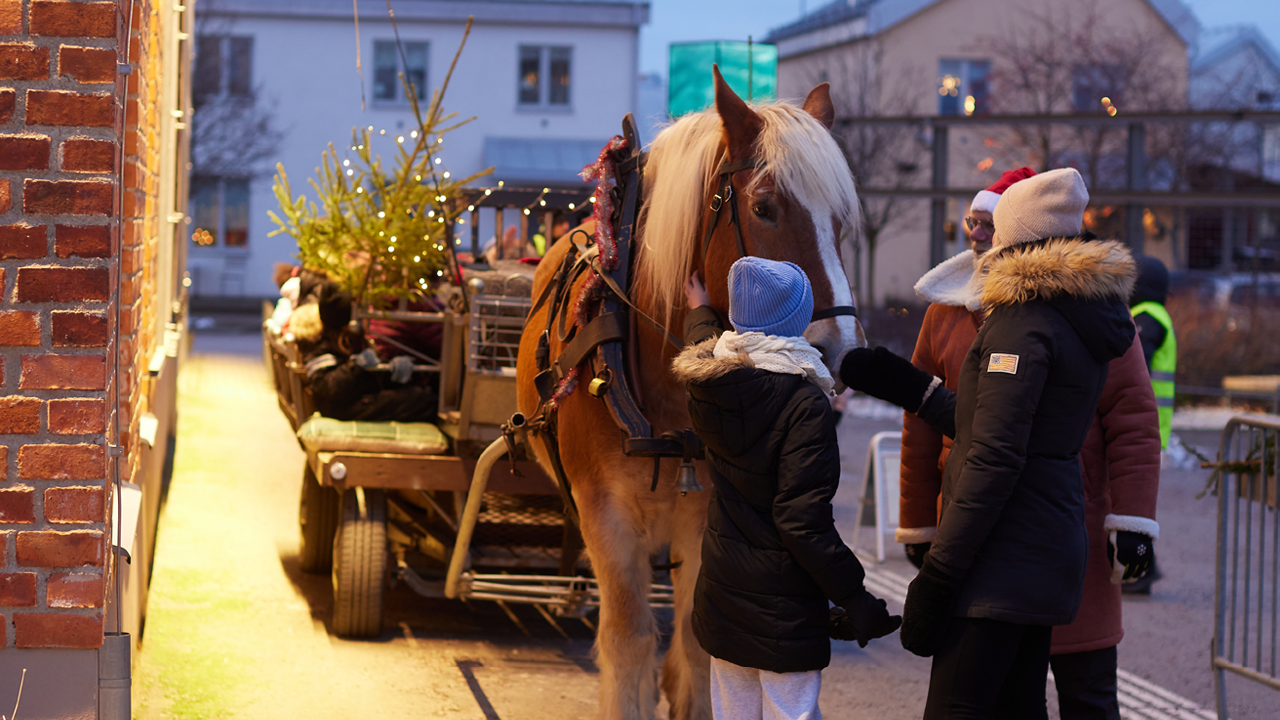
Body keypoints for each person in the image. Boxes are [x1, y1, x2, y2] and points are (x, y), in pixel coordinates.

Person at [842, 168, 1138, 719]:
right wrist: (911, 386)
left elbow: (993, 457)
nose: (985, 241)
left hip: (1001, 565)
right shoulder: (1070, 315)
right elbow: (1001, 426)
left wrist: (941, 573)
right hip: (1039, 552)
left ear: (1017, 236)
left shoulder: (1020, 324)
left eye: (995, 228)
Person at [672, 258, 900, 720]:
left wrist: (700, 309)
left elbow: (703, 342)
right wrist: (855, 597)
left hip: (723, 595)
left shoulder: (711, 384)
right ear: (797, 322)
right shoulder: (803, 403)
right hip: (784, 609)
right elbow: (802, 522)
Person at [1123, 255, 1177, 595]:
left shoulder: (1146, 319)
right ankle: (1142, 568)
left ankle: (1141, 570)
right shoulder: (1158, 315)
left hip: (1142, 425)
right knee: (1134, 497)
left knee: (1131, 497)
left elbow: (1133, 362)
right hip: (1152, 425)